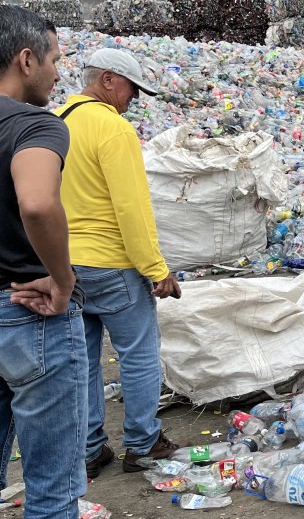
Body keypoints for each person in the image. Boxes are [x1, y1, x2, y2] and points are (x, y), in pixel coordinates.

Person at [54, 48, 183, 477]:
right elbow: (131, 208)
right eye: (132, 88)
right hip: (111, 263)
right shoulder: (112, 128)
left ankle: (90, 450)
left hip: (65, 265)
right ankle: (143, 443)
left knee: (83, 360)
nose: (134, 99)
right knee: (139, 354)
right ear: (108, 79)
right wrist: (155, 268)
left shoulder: (56, 121)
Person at [0, 6, 88, 517]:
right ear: (26, 59)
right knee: (51, 491)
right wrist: (62, 277)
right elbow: (36, 202)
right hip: (27, 312)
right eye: (55, 59)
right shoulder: (35, 126)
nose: (59, 73)